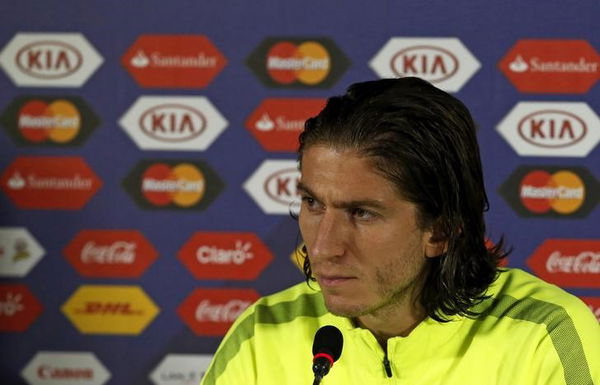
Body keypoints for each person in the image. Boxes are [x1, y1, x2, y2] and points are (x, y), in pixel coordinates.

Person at [200, 77, 600, 385]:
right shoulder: (262, 333)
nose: (322, 247)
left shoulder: (544, 334)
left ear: (440, 231)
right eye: (313, 204)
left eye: (362, 213)